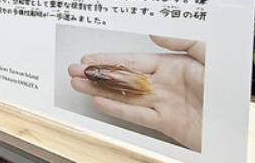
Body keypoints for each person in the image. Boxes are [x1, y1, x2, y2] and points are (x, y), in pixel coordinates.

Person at [68, 35, 204, 151]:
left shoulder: (100, 81)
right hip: (125, 79)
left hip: (127, 81)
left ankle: (140, 87)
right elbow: (118, 69)